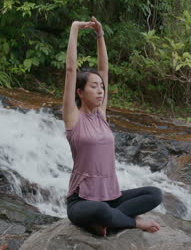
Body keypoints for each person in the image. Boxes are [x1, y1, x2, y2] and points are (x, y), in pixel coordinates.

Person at [62, 17, 162, 237]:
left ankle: (107, 222)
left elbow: (104, 70)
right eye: (93, 87)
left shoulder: (101, 115)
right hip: (82, 202)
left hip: (112, 198)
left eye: (102, 88)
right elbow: (70, 70)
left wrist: (100, 35)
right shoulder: (73, 118)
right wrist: (75, 29)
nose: (100, 91)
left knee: (155, 194)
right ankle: (130, 222)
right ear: (80, 92)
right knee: (99, 209)